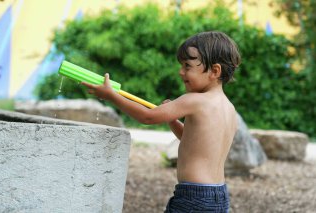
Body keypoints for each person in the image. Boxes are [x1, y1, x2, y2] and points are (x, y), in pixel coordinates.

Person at [82, 31, 241, 213]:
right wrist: (173, 120)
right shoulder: (229, 109)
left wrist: (112, 96)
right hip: (219, 197)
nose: (181, 72)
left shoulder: (194, 100)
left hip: (193, 197)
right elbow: (193, 141)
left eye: (187, 66)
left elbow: (147, 117)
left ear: (214, 71)